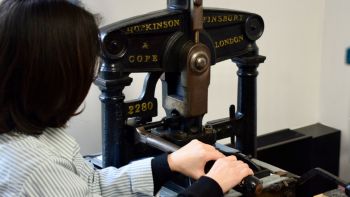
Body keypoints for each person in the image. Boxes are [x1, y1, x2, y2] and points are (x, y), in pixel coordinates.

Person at [0, 0, 253, 196]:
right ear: (54, 79)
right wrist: (209, 188)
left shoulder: (33, 132)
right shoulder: (35, 170)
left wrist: (169, 163)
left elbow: (91, 185)